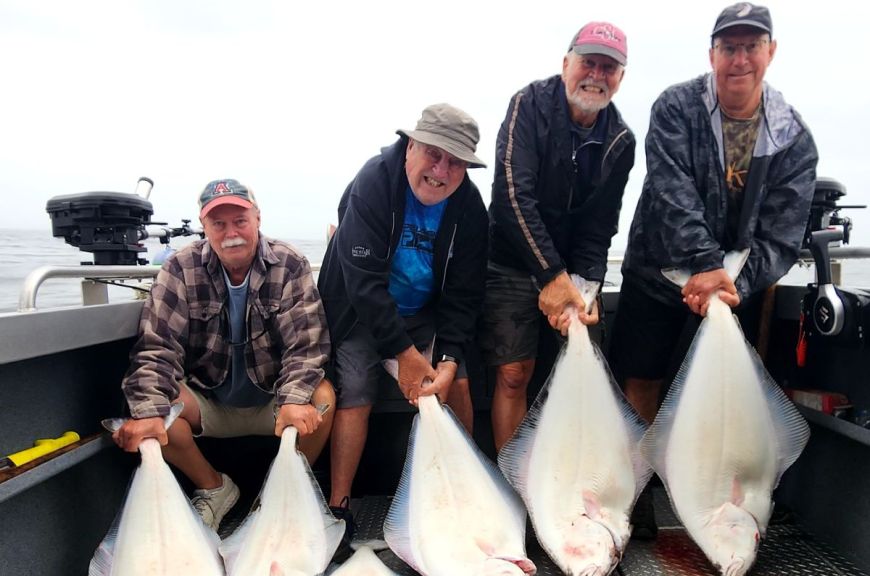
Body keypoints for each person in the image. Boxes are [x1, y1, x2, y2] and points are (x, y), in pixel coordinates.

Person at [608, 3, 818, 537]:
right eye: (729, 48)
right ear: (712, 54)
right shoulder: (676, 107)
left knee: (733, 399)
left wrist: (735, 286)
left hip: (733, 288)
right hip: (660, 268)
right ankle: (638, 500)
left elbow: (783, 233)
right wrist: (707, 267)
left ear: (771, 52)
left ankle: (700, 492)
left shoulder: (794, 137)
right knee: (642, 377)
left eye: (752, 46)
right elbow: (672, 192)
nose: (740, 59)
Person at [114, 178, 335, 531]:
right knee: (144, 406)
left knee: (323, 396)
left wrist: (293, 398)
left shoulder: (289, 263)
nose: (231, 232)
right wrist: (149, 412)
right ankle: (214, 488)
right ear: (204, 227)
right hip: (210, 401)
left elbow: (306, 346)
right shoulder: (180, 268)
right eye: (218, 223)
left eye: (240, 221)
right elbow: (157, 348)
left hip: (273, 401)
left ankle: (287, 492)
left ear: (257, 219)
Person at [317, 104, 489, 537]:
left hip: (421, 313)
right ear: (410, 146)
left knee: (460, 382)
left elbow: (464, 295)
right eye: (433, 153)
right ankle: (339, 503)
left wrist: (447, 359)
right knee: (355, 390)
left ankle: (462, 487)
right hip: (359, 313)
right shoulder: (374, 182)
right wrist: (404, 355)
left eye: (455, 162)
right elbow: (363, 285)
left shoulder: (469, 207)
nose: (441, 169)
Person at [483, 22, 636, 451]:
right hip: (513, 261)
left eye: (610, 67)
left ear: (621, 78)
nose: (597, 74)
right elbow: (513, 197)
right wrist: (551, 275)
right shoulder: (528, 106)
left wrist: (584, 287)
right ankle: (516, 488)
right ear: (566, 62)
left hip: (573, 272)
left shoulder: (621, 139)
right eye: (589, 62)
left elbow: (600, 224)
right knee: (514, 374)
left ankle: (575, 481)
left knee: (586, 371)